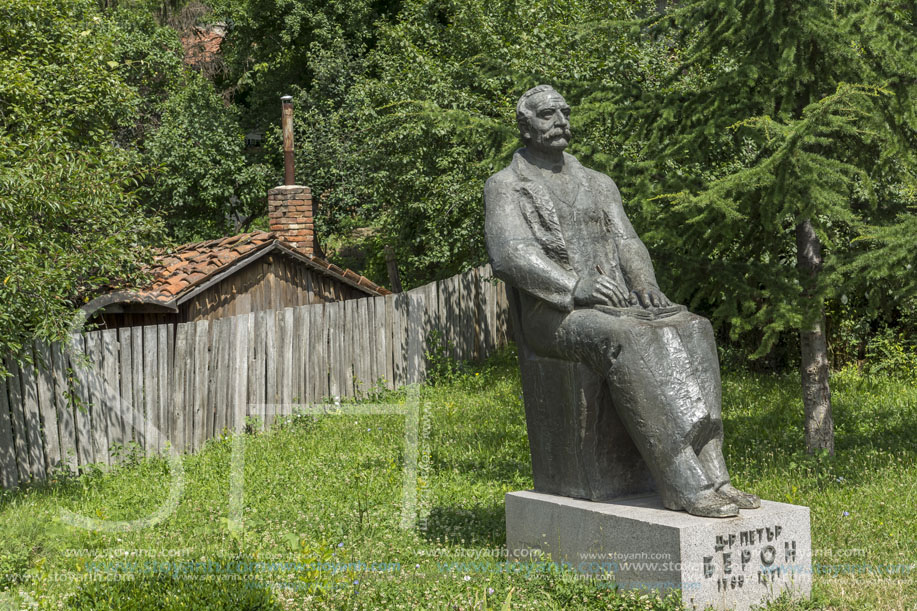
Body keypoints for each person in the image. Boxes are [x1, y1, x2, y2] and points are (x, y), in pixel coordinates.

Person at [484, 85, 760, 517]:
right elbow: (510, 255)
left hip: (617, 303)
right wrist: (574, 286)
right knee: (628, 337)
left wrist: (645, 283)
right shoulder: (505, 186)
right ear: (524, 126)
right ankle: (681, 482)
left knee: (694, 326)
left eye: (564, 111)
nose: (559, 120)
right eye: (546, 114)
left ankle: (715, 473)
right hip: (553, 315)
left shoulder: (597, 182)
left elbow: (626, 239)